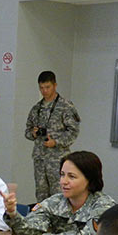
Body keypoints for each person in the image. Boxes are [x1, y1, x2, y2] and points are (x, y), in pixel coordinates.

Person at [1, 151, 114, 235]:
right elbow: (26, 233)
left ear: (89, 180)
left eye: (72, 177)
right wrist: (12, 213)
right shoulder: (55, 201)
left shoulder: (103, 205)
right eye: (62, 175)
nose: (63, 181)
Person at [24, 71, 80, 202]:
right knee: (41, 194)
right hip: (40, 159)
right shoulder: (36, 108)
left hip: (58, 160)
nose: (44, 91)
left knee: (59, 195)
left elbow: (73, 132)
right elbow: (27, 131)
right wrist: (33, 133)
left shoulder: (65, 106)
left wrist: (56, 142)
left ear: (55, 85)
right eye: (41, 88)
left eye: (47, 87)